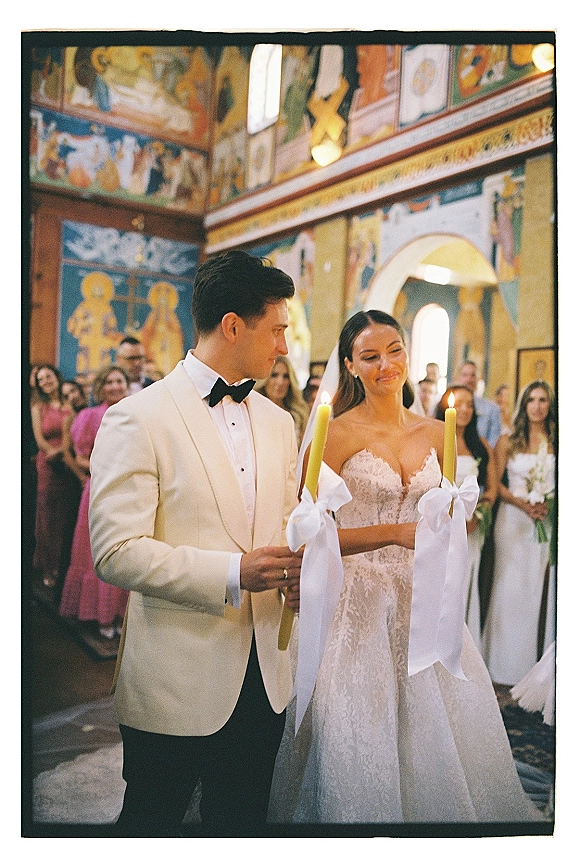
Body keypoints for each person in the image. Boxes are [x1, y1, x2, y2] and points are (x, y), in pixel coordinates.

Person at [268, 310, 541, 824]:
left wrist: (457, 520)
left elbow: (449, 520)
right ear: (350, 366)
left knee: (432, 726)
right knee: (358, 725)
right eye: (370, 356)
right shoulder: (336, 434)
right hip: (354, 601)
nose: (386, 364)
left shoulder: (438, 432)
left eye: (394, 350)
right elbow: (309, 537)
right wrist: (394, 533)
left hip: (423, 597)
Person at [89, 249, 304, 835]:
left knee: (242, 825)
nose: (284, 345)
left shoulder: (279, 423)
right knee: (149, 826)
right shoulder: (139, 418)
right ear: (233, 325)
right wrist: (234, 572)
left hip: (266, 678)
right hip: (176, 678)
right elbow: (114, 550)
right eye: (278, 329)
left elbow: (286, 529)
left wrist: (300, 576)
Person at [482, 380, 556, 687]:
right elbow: (495, 484)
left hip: (544, 522)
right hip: (512, 520)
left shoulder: (557, 441)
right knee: (507, 589)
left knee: (534, 591)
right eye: (531, 400)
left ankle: (528, 668)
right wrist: (523, 504)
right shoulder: (507, 440)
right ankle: (498, 666)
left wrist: (547, 505)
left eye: (543, 400)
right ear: (524, 405)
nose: (537, 406)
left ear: (550, 405)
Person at [59, 366, 131, 639]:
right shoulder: (89, 416)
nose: (115, 386)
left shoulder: (136, 412)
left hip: (129, 490)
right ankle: (102, 616)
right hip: (99, 487)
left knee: (126, 549)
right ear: (100, 387)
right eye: (109, 382)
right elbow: (80, 457)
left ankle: (122, 614)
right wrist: (109, 469)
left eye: (119, 380)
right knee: (97, 550)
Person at [435, 385, 497, 652]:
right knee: (440, 582)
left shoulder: (479, 444)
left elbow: (491, 488)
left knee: (465, 582)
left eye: (469, 405)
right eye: (458, 403)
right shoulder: (434, 438)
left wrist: (478, 514)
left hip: (472, 528)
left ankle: (464, 648)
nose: (464, 409)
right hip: (440, 526)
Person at [30, 364, 81, 590]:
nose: (45, 382)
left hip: (67, 464)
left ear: (56, 377)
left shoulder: (69, 408)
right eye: (41, 380)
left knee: (65, 516)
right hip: (48, 467)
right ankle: (47, 566)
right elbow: (40, 440)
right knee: (47, 517)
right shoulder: (37, 408)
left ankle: (61, 567)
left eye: (48, 376)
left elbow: (69, 439)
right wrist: (52, 453)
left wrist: (63, 453)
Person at [255, 354, 310, 445]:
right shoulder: (253, 410)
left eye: (286, 376)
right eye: (274, 375)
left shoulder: (298, 415)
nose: (280, 382)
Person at [455, 360, 502, 447]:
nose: (469, 379)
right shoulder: (444, 404)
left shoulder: (492, 408)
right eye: (464, 375)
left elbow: (493, 441)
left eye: (473, 375)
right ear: (457, 377)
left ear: (479, 378)